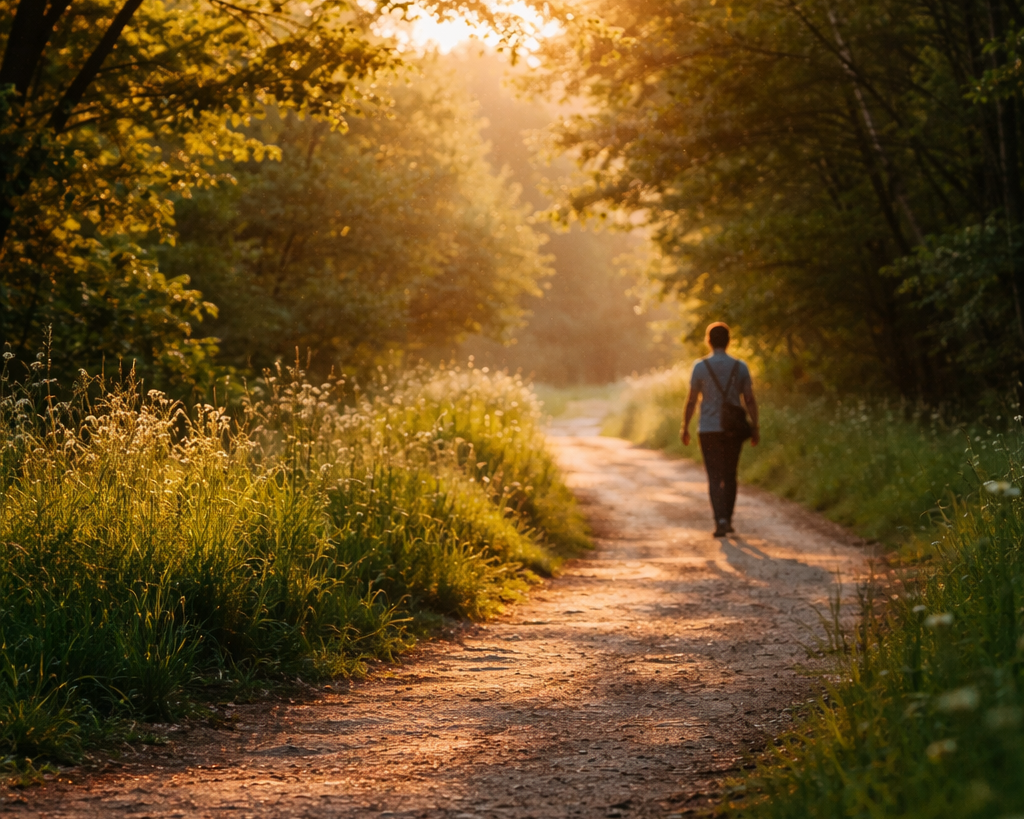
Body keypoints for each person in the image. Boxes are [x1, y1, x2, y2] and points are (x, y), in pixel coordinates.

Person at [679, 322, 760, 537]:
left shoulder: (700, 367)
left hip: (708, 429)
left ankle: (719, 521)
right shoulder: (740, 367)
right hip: (733, 428)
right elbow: (749, 399)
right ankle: (729, 519)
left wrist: (685, 426)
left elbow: (691, 400)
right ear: (728, 341)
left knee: (714, 476)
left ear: (709, 341)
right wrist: (755, 426)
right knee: (730, 474)